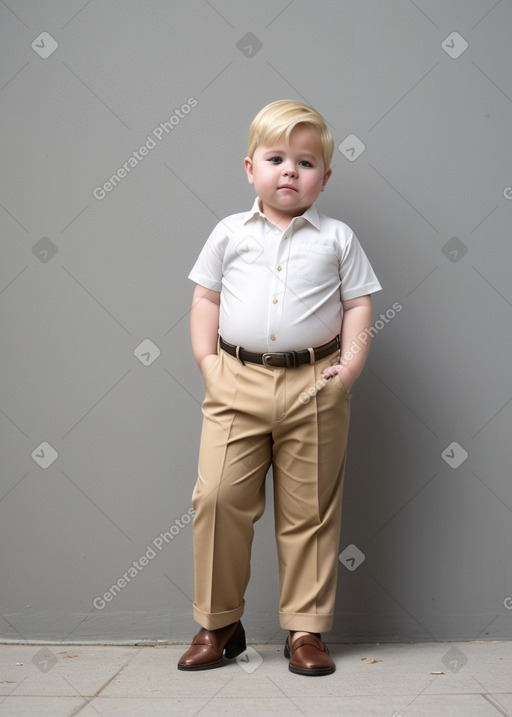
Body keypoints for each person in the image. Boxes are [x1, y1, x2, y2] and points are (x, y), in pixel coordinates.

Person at [178, 100, 382, 676]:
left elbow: (359, 305)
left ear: (325, 177)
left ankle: (305, 630)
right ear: (251, 169)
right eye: (276, 159)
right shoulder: (229, 233)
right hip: (235, 379)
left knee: (310, 510)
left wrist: (347, 372)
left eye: (305, 162)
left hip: (313, 383)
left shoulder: (338, 238)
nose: (289, 171)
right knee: (217, 499)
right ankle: (219, 623)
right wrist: (207, 362)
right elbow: (206, 299)